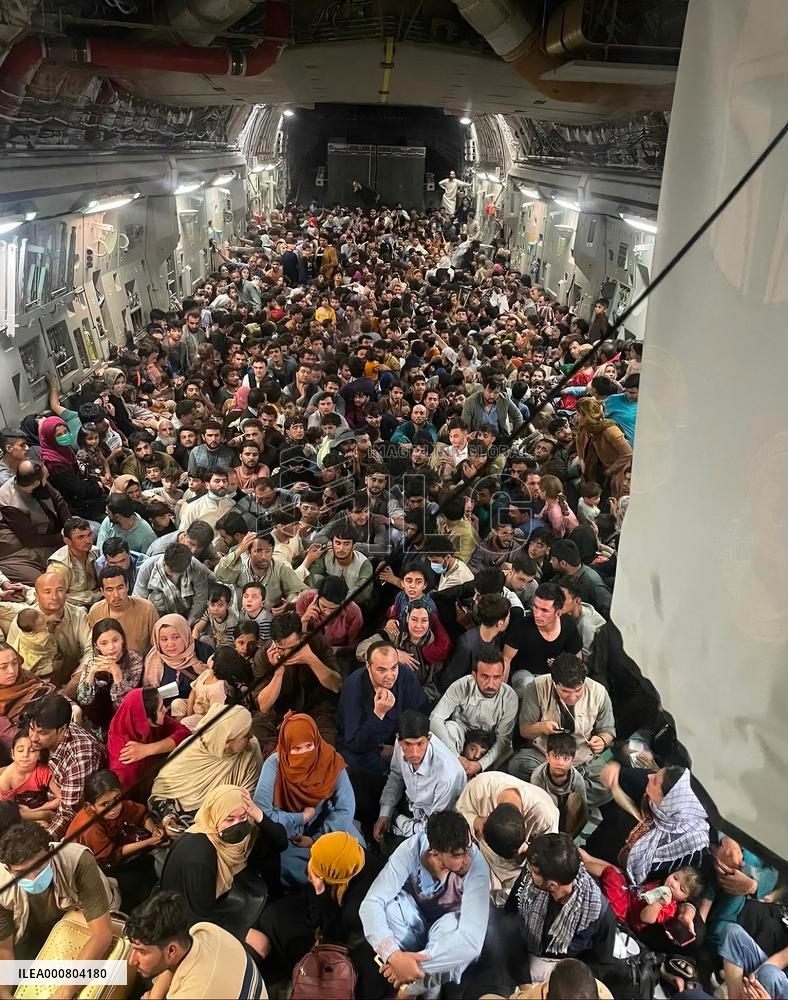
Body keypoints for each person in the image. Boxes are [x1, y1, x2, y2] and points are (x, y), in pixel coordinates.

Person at [359, 809, 490, 996]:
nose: (468, 860)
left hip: (445, 937)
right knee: (389, 907)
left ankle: (417, 991)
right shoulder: (410, 850)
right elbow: (372, 902)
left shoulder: (477, 864)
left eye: (468, 848)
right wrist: (393, 956)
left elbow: (472, 942)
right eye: (458, 855)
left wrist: (412, 966)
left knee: (455, 930)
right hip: (415, 924)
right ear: (435, 854)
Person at [160, 783, 286, 949]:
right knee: (261, 943)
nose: (237, 824)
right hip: (189, 918)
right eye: (229, 819)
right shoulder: (199, 854)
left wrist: (257, 813)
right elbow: (199, 916)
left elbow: (280, 842)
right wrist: (241, 932)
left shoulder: (241, 840)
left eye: (243, 817)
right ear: (214, 816)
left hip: (224, 899)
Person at [253, 712, 362, 888]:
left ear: (316, 742)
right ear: (286, 747)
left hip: (328, 829)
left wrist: (315, 839)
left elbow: (345, 809)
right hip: (289, 834)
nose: (304, 753)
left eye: (309, 746)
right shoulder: (275, 764)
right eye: (296, 749)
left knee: (349, 857)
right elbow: (262, 813)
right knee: (281, 865)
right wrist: (299, 818)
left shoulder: (331, 761)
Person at [0, 820, 118, 975]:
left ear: (51, 852)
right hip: (31, 934)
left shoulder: (76, 860)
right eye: (22, 872)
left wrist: (67, 986)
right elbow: (5, 951)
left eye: (38, 866)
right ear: (9, 869)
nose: (32, 878)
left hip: (80, 920)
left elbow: (102, 934)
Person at [502, 833, 616, 988]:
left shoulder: (597, 913)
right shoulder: (528, 881)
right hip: (521, 956)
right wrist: (524, 981)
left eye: (533, 871)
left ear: (552, 885)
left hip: (563, 970)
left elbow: (601, 964)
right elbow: (509, 920)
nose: (528, 872)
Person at [508, 655, 615, 808]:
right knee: (517, 766)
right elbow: (525, 730)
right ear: (554, 682)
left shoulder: (599, 692)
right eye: (565, 691)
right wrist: (542, 727)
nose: (572, 697)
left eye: (578, 690)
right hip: (545, 756)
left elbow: (608, 730)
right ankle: (572, 800)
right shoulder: (536, 687)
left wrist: (602, 740)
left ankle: (551, 798)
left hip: (582, 759)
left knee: (608, 783)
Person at [126, 890, 268, 999]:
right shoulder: (205, 930)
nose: (132, 960)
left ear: (171, 951)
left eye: (142, 952)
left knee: (133, 982)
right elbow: (170, 968)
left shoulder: (192, 995)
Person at [66, 769, 164, 913]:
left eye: (117, 799)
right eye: (105, 804)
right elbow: (111, 856)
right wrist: (148, 842)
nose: (114, 807)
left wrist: (154, 829)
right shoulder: (89, 827)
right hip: (90, 869)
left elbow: (141, 815)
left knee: (148, 866)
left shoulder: (119, 807)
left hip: (112, 854)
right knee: (136, 883)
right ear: (90, 807)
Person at [455, 772, 559, 906]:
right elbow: (460, 811)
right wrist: (475, 821)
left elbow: (548, 856)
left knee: (523, 899)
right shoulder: (480, 786)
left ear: (524, 824)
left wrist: (528, 851)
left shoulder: (545, 816)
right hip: (484, 854)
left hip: (523, 865)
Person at [251, 609, 342, 756]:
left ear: (302, 637)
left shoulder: (317, 642)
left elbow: (336, 686)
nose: (288, 654)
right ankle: (284, 757)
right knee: (256, 734)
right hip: (279, 712)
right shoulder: (263, 655)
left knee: (326, 745)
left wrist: (311, 660)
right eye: (282, 648)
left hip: (315, 709)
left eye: (293, 648)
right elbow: (264, 706)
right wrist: (278, 672)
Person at [151, 704, 262, 817]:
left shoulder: (250, 750)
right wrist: (168, 817)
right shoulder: (191, 749)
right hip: (181, 818)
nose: (251, 736)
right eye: (245, 735)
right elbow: (161, 792)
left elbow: (249, 805)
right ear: (226, 741)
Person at [337, 641, 430, 774]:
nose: (390, 676)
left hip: (399, 740)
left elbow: (421, 714)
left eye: (394, 668)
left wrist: (400, 745)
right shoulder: (353, 687)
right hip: (365, 747)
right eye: (381, 670)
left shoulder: (405, 676)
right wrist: (378, 715)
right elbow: (355, 743)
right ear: (368, 666)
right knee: (355, 764)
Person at [375, 710, 466, 842]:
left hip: (438, 822)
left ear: (428, 739)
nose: (414, 753)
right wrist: (385, 813)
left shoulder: (447, 774)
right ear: (399, 740)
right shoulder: (399, 744)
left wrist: (402, 823)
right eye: (408, 744)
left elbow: (438, 823)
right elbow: (396, 775)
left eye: (420, 744)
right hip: (413, 805)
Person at [27, 692, 105, 838]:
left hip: (66, 814)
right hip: (44, 796)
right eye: (31, 728)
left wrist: (42, 844)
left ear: (62, 729)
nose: (33, 738)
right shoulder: (49, 726)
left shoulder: (79, 757)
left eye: (42, 733)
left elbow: (68, 814)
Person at [430, 649, 518, 775]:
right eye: (484, 677)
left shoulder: (510, 697)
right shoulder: (462, 685)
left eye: (496, 677)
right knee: (450, 728)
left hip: (490, 739)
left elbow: (503, 739)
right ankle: (452, 774)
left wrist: (480, 765)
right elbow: (435, 718)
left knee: (507, 748)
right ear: (474, 675)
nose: (491, 684)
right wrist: (456, 757)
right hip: (461, 734)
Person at [7, 572, 92, 690]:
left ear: (66, 593)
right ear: (37, 596)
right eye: (47, 592)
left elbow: (90, 652)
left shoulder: (79, 615)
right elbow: (11, 660)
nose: (54, 597)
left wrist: (72, 686)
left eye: (60, 590)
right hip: (34, 684)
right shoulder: (23, 621)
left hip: (73, 680)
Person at [107, 687, 190, 795]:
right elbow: (129, 794)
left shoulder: (149, 719)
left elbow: (184, 732)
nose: (165, 710)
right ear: (144, 719)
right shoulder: (126, 758)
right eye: (160, 709)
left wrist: (148, 749)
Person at [0, 460, 71, 585]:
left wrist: (70, 528)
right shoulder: (9, 503)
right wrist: (62, 537)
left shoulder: (35, 481)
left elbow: (59, 500)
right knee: (46, 582)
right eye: (46, 476)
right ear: (36, 483)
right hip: (19, 551)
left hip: (50, 534)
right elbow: (30, 540)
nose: (47, 476)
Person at [506, 583, 583, 695]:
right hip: (523, 674)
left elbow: (576, 657)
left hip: (553, 675)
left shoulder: (568, 624)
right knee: (530, 687)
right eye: (535, 607)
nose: (537, 614)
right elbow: (506, 660)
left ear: (558, 613)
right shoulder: (521, 627)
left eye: (544, 610)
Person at [76, 618, 144, 722]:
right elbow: (84, 700)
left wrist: (117, 675)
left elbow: (125, 704)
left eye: (115, 640)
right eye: (104, 643)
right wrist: (91, 673)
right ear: (96, 646)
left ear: (122, 640)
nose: (111, 647)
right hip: (98, 717)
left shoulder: (134, 660)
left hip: (126, 717)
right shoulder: (92, 661)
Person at [133, 542, 214, 625]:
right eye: (170, 571)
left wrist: (187, 624)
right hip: (156, 615)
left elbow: (199, 602)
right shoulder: (148, 567)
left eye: (177, 573)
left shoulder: (197, 568)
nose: (173, 575)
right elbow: (139, 601)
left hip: (186, 614)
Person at [87, 566, 159, 657]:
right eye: (109, 590)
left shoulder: (147, 609)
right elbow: (93, 647)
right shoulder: (96, 611)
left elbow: (157, 646)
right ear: (102, 591)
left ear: (127, 587)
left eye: (120, 588)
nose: (116, 595)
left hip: (143, 662)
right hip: (107, 662)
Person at [142, 614, 207, 710]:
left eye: (175, 637)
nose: (170, 644)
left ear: (185, 634)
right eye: (164, 639)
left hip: (198, 710)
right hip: (164, 713)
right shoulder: (154, 658)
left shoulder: (204, 652)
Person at [530, 732, 589, 837]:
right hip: (547, 815)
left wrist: (571, 836)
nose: (560, 763)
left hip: (568, 818)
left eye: (566, 758)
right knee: (551, 798)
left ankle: (563, 837)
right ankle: (549, 835)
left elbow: (584, 814)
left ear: (572, 760)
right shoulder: (538, 776)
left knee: (575, 799)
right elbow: (533, 807)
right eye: (555, 756)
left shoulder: (577, 779)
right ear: (547, 756)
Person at [0, 642, 54, 752]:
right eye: (3, 667)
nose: (12, 671)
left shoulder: (24, 676)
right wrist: (44, 738)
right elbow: (11, 736)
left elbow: (47, 688)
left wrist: (72, 706)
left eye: (14, 663)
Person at [0, 730, 60, 822]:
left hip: (38, 809)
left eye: (32, 751)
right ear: (13, 754)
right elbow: (8, 812)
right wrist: (42, 814)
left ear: (39, 755)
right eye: (20, 750)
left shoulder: (42, 771)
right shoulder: (5, 779)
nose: (25, 755)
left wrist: (38, 811)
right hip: (18, 816)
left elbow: (62, 798)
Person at [549, 540, 612, 618]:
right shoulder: (561, 576)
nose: (550, 562)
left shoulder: (592, 581)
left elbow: (608, 608)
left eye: (553, 559)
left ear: (563, 563)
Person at [46, 516, 99, 608]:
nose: (88, 541)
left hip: (96, 603)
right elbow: (54, 598)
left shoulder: (96, 552)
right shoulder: (59, 566)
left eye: (89, 535)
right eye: (81, 537)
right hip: (70, 608)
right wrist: (93, 595)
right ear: (67, 541)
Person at [12, 607, 57, 679]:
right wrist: (52, 625)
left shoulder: (24, 631)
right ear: (33, 630)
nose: (45, 617)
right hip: (37, 660)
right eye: (43, 623)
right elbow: (53, 638)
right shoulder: (41, 638)